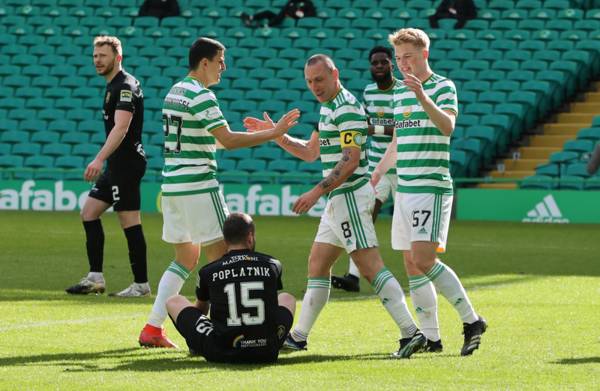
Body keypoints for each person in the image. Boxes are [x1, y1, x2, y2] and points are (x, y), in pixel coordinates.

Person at [244, 54, 426, 359]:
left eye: (319, 79)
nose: (314, 86)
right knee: (318, 264)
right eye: (309, 81)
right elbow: (311, 152)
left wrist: (316, 192)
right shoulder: (327, 107)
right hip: (338, 201)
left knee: (370, 267)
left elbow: (351, 160)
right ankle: (299, 337)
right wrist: (277, 136)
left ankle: (411, 332)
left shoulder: (347, 108)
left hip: (351, 197)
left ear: (334, 74)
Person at [138, 37, 299, 348]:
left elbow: (215, 139)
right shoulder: (202, 96)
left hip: (172, 186)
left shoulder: (175, 91)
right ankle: (226, 331)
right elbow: (227, 139)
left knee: (185, 257)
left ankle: (153, 328)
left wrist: (259, 133)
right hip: (199, 185)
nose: (224, 66)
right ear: (205, 63)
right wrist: (274, 134)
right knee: (226, 259)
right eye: (220, 60)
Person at [372, 28, 486, 356]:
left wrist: (423, 96)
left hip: (430, 186)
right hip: (405, 188)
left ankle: (471, 320)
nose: (402, 63)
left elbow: (448, 127)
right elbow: (397, 140)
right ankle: (431, 338)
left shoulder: (442, 87)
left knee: (424, 258)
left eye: (408, 56)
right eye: (398, 58)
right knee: (410, 262)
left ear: (424, 54)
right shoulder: (399, 93)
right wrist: (378, 172)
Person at [66, 36, 150, 298]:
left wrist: (99, 158)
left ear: (118, 57)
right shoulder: (113, 85)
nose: (97, 60)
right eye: (95, 56)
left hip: (126, 164)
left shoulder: (125, 86)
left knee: (129, 221)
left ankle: (141, 285)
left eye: (103, 55)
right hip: (116, 164)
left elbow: (122, 127)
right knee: (89, 212)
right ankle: (95, 278)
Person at [166, 212, 296, 363]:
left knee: (173, 301)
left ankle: (196, 347)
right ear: (250, 236)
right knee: (287, 298)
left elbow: (201, 310)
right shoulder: (273, 265)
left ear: (225, 240)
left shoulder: (208, 271)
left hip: (221, 351)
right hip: (266, 350)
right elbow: (272, 308)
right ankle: (271, 340)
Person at [331, 46, 401, 293]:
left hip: (403, 167)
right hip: (376, 168)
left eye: (383, 62)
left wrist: (376, 128)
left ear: (392, 64)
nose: (379, 66)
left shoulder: (403, 91)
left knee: (409, 225)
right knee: (365, 216)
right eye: (375, 63)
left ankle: (421, 271)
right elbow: (363, 124)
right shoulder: (369, 92)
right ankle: (353, 276)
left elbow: (406, 128)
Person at [240, 0, 316, 28]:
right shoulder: (292, 2)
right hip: (283, 16)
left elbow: (313, 13)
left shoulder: (308, 3)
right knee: (268, 12)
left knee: (281, 16)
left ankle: (267, 25)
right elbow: (283, 10)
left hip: (293, 19)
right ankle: (251, 18)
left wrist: (303, 15)